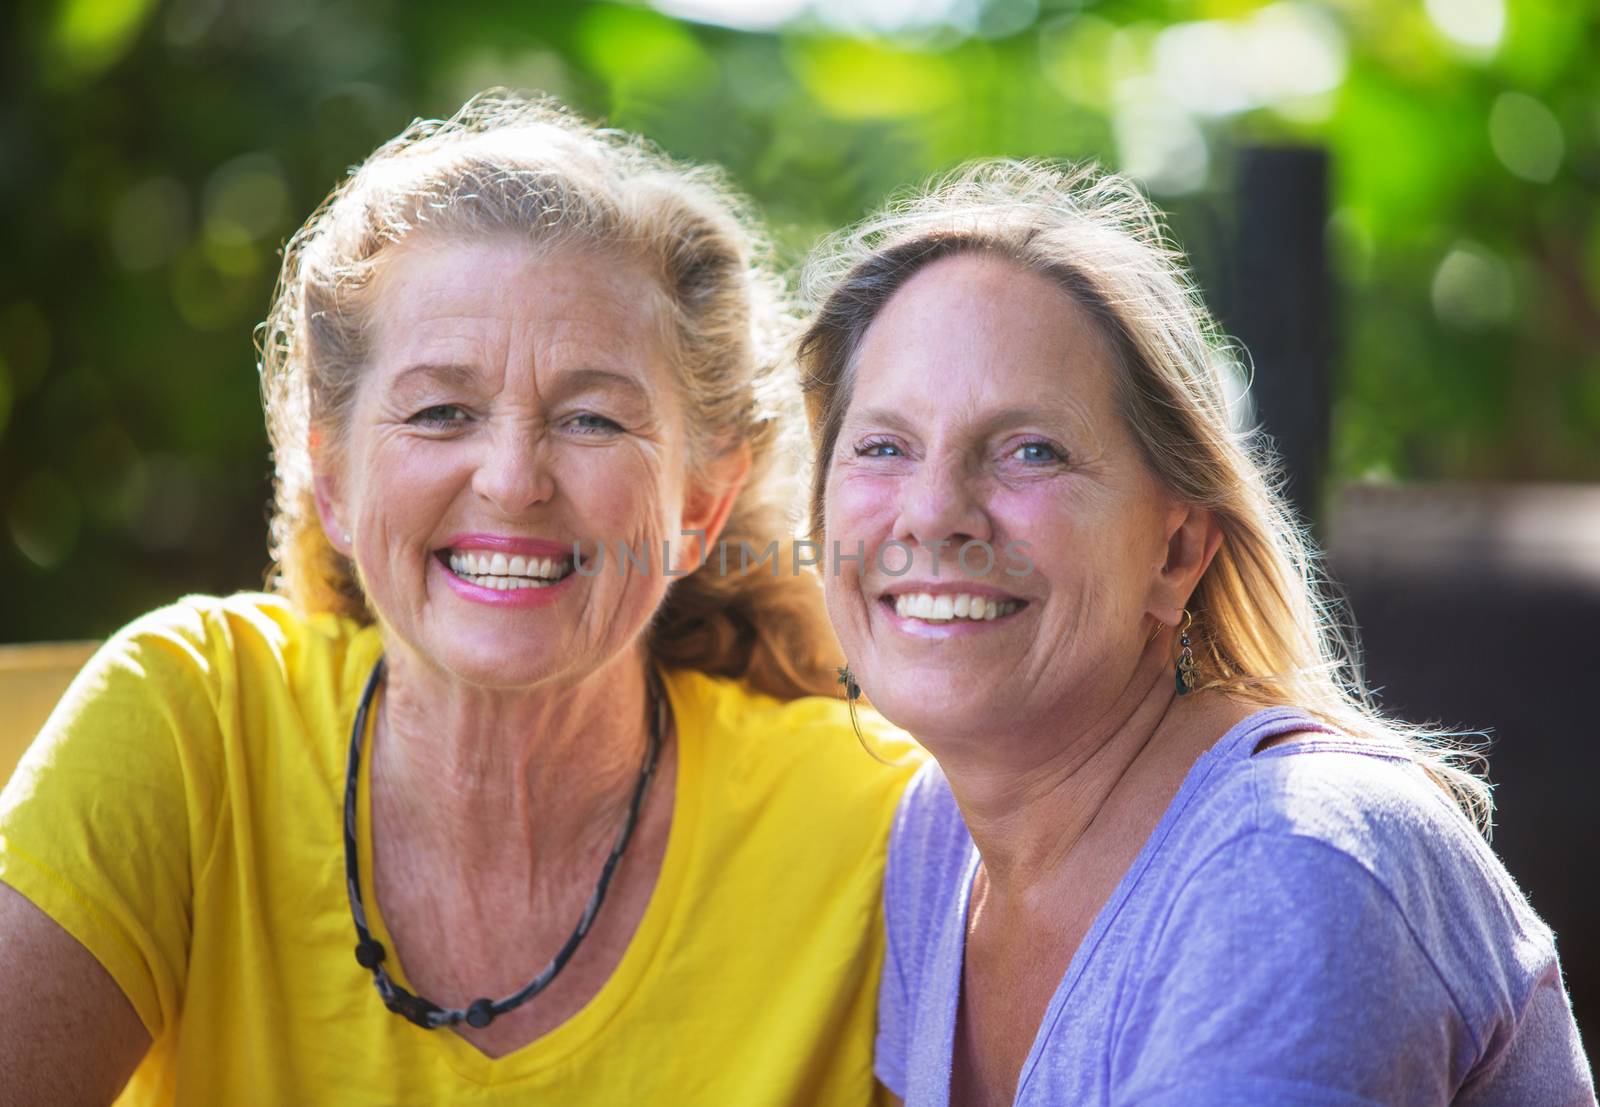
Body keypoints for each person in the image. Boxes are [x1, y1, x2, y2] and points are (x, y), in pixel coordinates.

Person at [0, 92, 919, 1105]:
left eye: (592, 420)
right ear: (335, 484)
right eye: (441, 412)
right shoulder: (193, 720)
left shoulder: (878, 825)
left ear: (701, 504)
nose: (512, 479)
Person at [797, 160, 1596, 1106]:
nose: (932, 514)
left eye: (1031, 450)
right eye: (883, 446)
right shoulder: (933, 842)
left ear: (1176, 550)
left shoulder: (1293, 860)